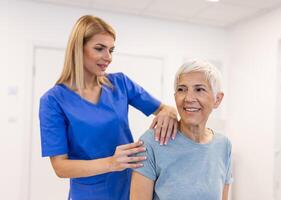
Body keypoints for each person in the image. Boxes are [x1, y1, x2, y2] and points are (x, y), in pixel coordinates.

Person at [39, 15, 178, 200]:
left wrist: (169, 113)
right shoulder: (53, 100)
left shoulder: (120, 83)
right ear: (78, 49)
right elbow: (60, 167)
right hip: (90, 193)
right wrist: (111, 163)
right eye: (99, 49)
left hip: (131, 188)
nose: (108, 57)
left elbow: (164, 108)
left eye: (111, 50)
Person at [130, 59, 233, 200]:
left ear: (217, 99)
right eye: (181, 89)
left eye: (199, 89)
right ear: (175, 96)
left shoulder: (223, 145)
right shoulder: (151, 142)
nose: (189, 98)